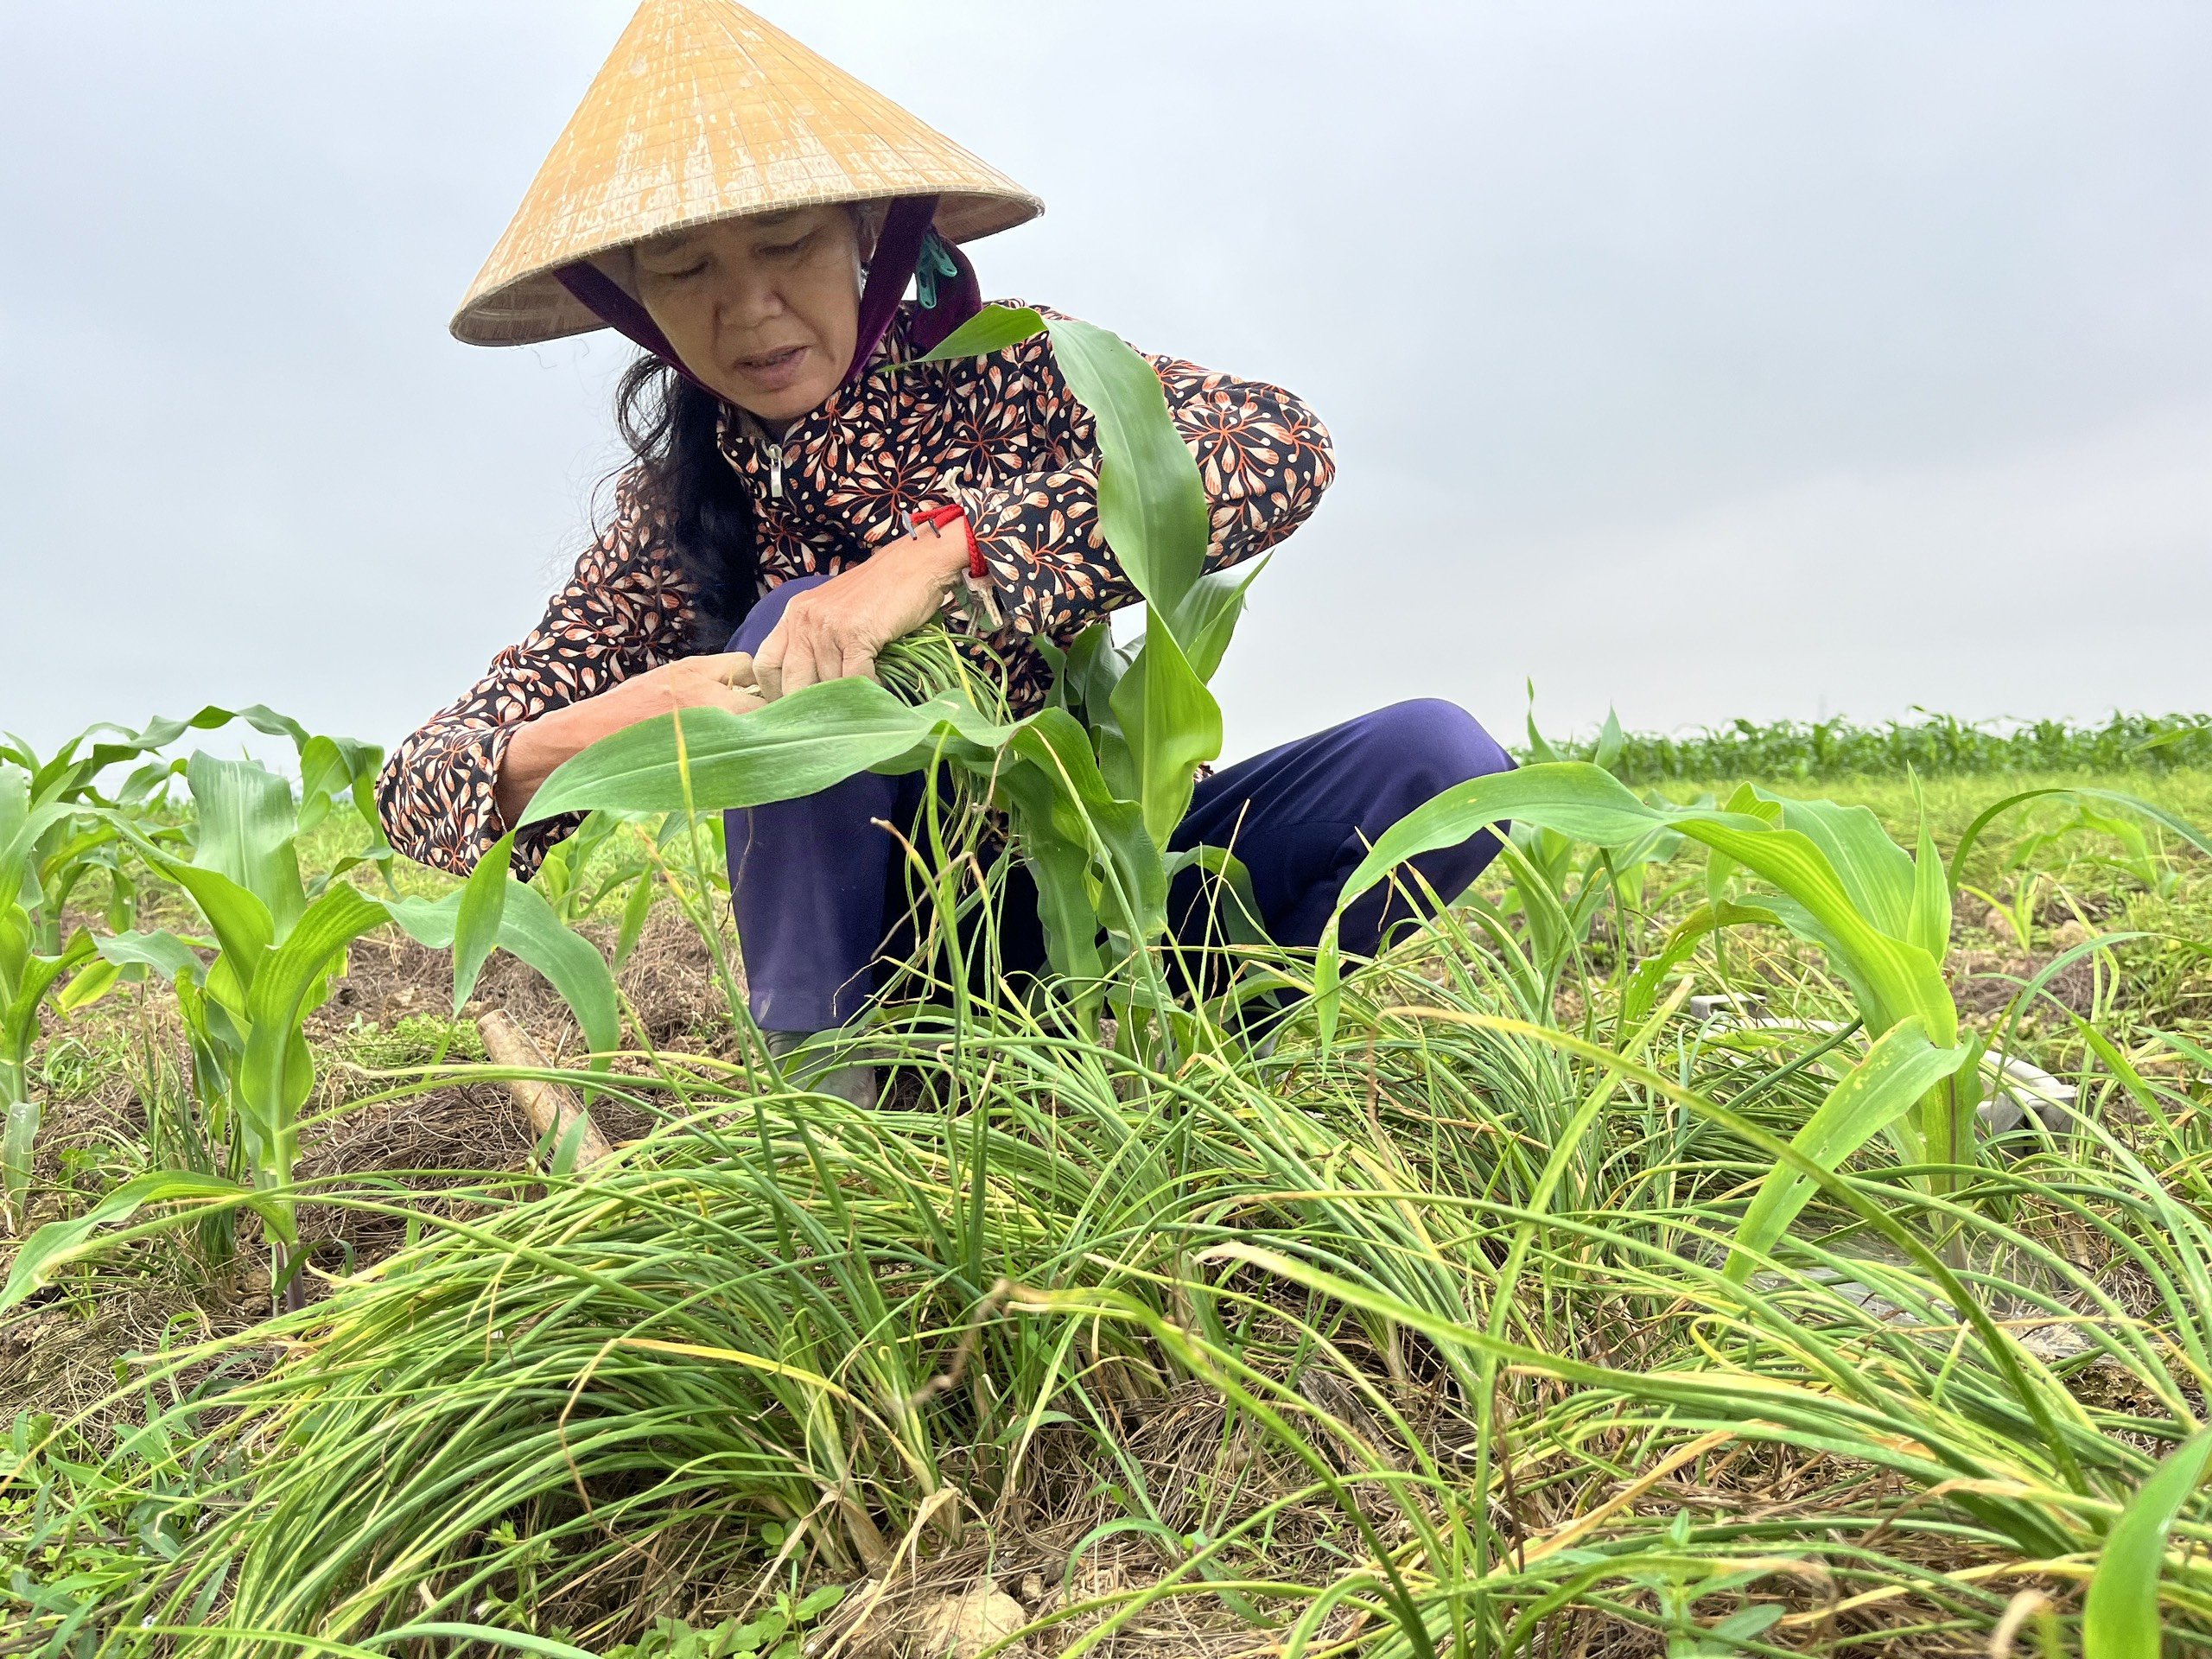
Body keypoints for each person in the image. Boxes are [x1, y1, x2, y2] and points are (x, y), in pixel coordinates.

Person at [378, 0, 1515, 1080]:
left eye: (785, 244)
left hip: (1103, 901)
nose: (750, 308)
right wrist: (587, 734)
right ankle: (835, 1097)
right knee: (793, 639)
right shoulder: (671, 516)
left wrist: (941, 556)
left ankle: (1170, 1071)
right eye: (686, 273)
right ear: (632, 301)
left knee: (1445, 765)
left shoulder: (1001, 372)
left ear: (867, 235)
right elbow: (420, 786)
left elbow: (1274, 445)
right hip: (888, 971)